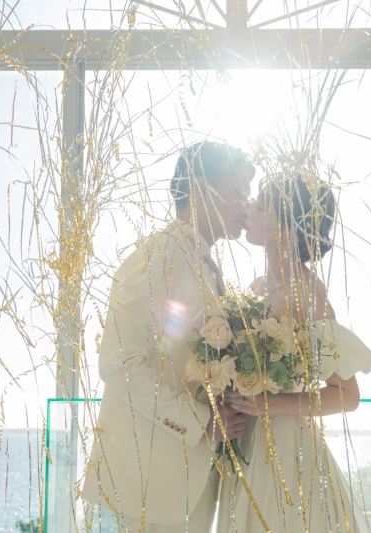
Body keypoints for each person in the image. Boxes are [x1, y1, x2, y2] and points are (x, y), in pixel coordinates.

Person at [81, 141, 255, 532]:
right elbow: (119, 363)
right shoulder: (156, 258)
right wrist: (201, 422)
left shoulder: (204, 263)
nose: (245, 204)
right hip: (154, 482)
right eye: (237, 191)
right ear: (202, 187)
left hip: (195, 477)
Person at [216, 173, 371, 533]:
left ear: (287, 231)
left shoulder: (308, 295)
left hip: (288, 449)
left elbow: (347, 395)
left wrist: (268, 404)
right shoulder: (258, 286)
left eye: (261, 205)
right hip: (246, 438)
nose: (249, 207)